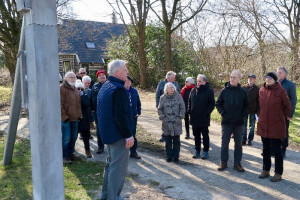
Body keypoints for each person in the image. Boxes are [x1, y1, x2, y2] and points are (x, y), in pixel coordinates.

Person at [97, 59, 134, 200]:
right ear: (117, 72)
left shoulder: (106, 86)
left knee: (110, 166)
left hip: (108, 134)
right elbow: (121, 116)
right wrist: (128, 135)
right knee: (117, 169)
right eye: (125, 70)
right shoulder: (119, 89)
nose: (127, 72)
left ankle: (106, 196)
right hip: (118, 136)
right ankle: (113, 197)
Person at [257, 72, 291, 182]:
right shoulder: (261, 90)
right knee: (265, 149)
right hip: (264, 124)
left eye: (270, 77)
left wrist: (280, 117)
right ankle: (266, 170)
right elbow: (259, 105)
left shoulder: (281, 91)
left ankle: (278, 173)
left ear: (275, 80)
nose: (267, 79)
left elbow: (288, 107)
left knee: (277, 150)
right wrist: (261, 115)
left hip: (276, 125)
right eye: (266, 77)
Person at [216, 70, 248, 172]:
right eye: (231, 77)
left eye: (234, 77)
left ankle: (237, 164)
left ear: (239, 79)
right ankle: (223, 162)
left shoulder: (243, 92)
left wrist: (242, 115)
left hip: (238, 122)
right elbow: (218, 104)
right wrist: (223, 113)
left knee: (238, 144)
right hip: (226, 122)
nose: (232, 79)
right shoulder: (224, 91)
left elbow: (247, 106)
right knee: (225, 143)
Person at [188, 74, 215, 159]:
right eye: (197, 81)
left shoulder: (209, 91)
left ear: (204, 81)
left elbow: (212, 104)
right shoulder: (193, 90)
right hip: (194, 117)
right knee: (196, 135)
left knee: (205, 135)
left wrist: (207, 113)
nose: (198, 83)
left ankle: (206, 151)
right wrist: (189, 111)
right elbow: (189, 102)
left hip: (204, 118)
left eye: (200, 81)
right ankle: (197, 150)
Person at [158, 82, 185, 162]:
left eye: (173, 87)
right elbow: (160, 109)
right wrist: (162, 117)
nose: (172, 89)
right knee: (168, 140)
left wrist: (180, 116)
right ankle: (169, 156)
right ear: (166, 89)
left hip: (176, 122)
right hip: (167, 122)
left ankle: (176, 156)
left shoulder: (179, 96)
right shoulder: (162, 98)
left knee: (176, 140)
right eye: (170, 88)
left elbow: (182, 107)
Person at [60, 71, 82, 164]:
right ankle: (64, 156)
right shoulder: (62, 89)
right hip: (66, 119)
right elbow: (59, 104)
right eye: (70, 77)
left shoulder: (75, 89)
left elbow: (78, 104)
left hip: (75, 118)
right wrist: (64, 117)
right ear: (65, 78)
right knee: (66, 138)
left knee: (73, 137)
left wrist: (80, 115)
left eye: (74, 77)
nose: (73, 79)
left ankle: (70, 154)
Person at [276, 67, 297, 158]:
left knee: (284, 132)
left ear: (285, 74)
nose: (278, 74)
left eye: (280, 73)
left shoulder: (290, 85)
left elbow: (293, 100)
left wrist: (290, 114)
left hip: (285, 114)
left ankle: (283, 149)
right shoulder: (274, 84)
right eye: (277, 72)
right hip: (274, 114)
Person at [156, 71, 181, 142]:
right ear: (168, 78)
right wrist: (157, 105)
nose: (174, 79)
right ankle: (164, 135)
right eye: (173, 77)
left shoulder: (176, 84)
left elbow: (179, 94)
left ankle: (175, 135)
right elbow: (157, 94)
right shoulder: (161, 84)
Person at [124, 76, 142, 159]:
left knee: (133, 133)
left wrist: (138, 112)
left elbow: (138, 102)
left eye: (129, 81)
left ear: (131, 82)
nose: (127, 82)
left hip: (133, 116)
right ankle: (123, 153)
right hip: (124, 116)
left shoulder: (134, 91)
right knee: (124, 134)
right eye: (126, 81)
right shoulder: (121, 91)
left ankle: (133, 152)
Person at [77, 77, 93, 158]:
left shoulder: (84, 95)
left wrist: (82, 96)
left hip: (84, 118)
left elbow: (87, 104)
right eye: (78, 88)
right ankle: (71, 152)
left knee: (86, 137)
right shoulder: (73, 96)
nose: (80, 90)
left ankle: (87, 151)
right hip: (75, 119)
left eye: (81, 88)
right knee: (73, 137)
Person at [91, 69, 107, 154]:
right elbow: (91, 98)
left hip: (108, 112)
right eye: (100, 75)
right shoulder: (94, 86)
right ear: (97, 77)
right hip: (97, 112)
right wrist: (92, 109)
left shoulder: (109, 85)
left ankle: (110, 145)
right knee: (99, 129)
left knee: (108, 128)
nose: (102, 76)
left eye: (103, 75)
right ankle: (100, 147)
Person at [242, 74, 260, 146]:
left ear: (254, 79)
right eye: (249, 78)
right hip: (244, 110)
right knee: (244, 125)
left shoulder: (257, 89)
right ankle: (243, 139)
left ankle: (250, 139)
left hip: (253, 110)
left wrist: (258, 110)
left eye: (252, 78)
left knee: (252, 126)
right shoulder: (243, 87)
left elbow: (259, 101)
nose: (250, 79)